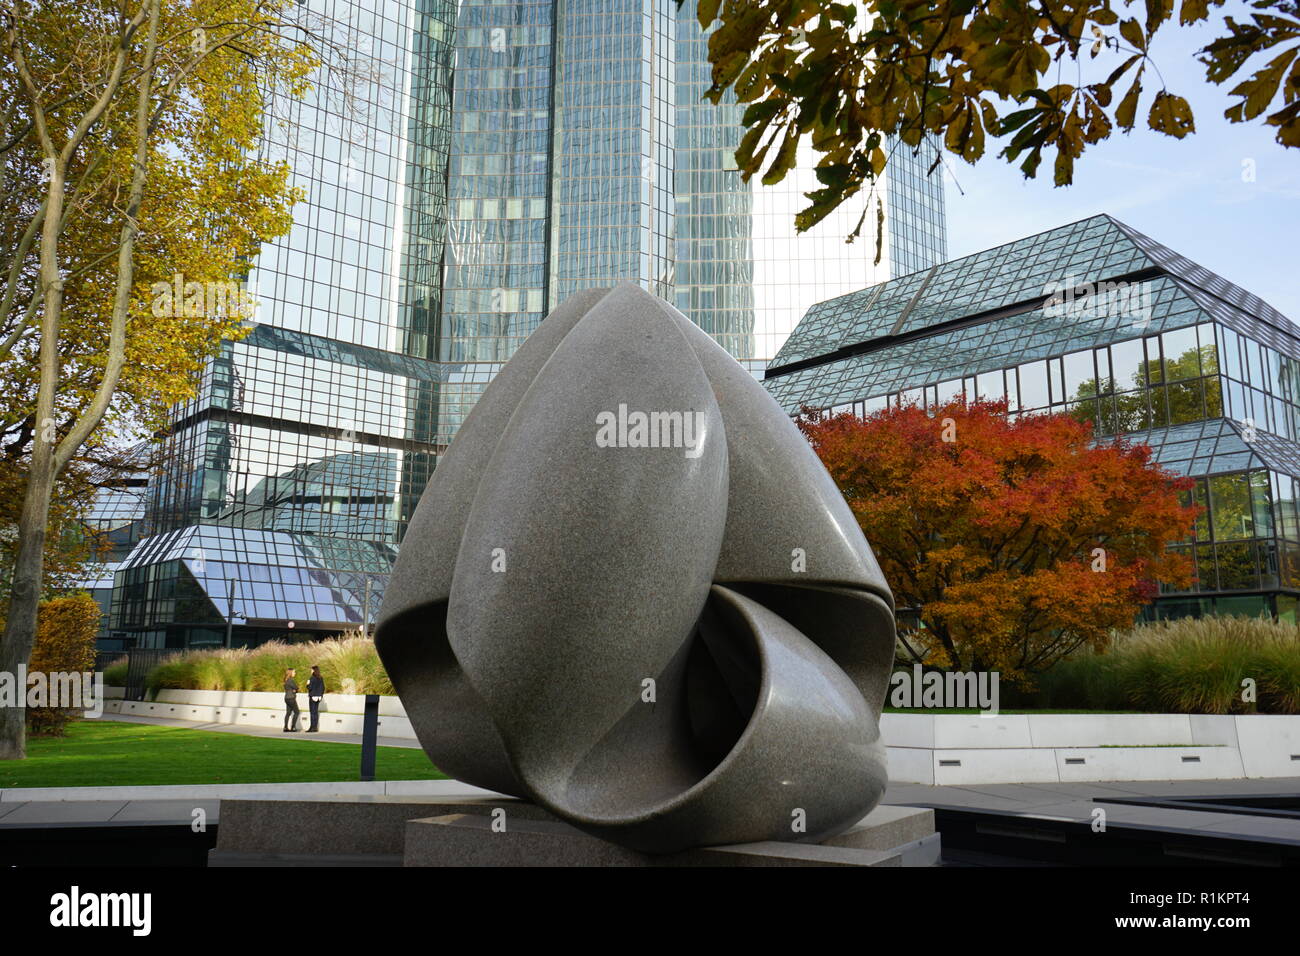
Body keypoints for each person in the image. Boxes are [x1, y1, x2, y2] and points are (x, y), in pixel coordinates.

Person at [306, 665, 326, 733]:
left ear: (314, 670)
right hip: (318, 697)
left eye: (311, 670)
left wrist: (307, 684)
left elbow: (309, 688)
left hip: (313, 696)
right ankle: (315, 727)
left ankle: (312, 727)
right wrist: (321, 695)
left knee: (312, 712)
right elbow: (323, 687)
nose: (311, 671)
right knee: (316, 712)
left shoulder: (312, 678)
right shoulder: (321, 678)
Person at [283, 668, 300, 732]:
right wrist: (295, 690)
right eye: (294, 672)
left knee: (288, 713)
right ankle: (293, 727)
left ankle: (285, 727)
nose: (295, 673)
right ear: (290, 673)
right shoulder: (291, 680)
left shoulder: (286, 680)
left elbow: (293, 689)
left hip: (286, 698)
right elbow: (296, 688)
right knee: (297, 712)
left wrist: (294, 690)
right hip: (291, 698)